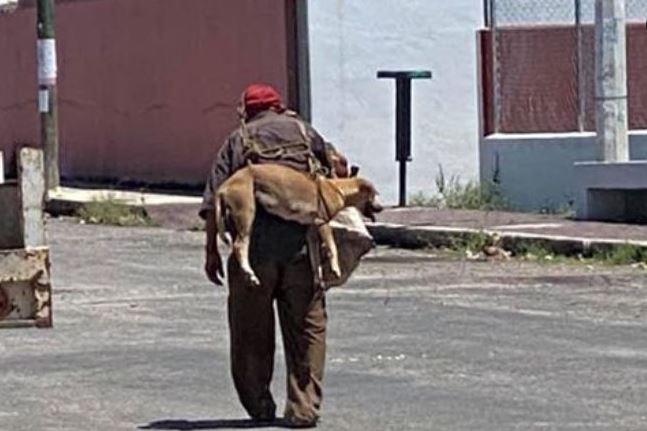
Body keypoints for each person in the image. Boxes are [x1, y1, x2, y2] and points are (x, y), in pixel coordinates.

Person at [199, 84, 346, 428]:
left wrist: (211, 252)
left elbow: (213, 202)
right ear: (279, 107)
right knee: (308, 327)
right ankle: (304, 408)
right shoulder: (305, 133)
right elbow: (336, 178)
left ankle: (260, 406)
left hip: (255, 254)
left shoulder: (238, 140)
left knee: (250, 330)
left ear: (247, 111)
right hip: (302, 249)